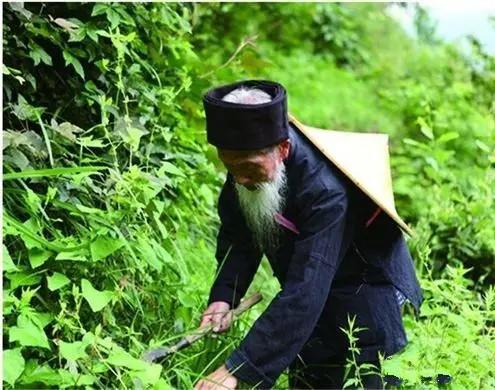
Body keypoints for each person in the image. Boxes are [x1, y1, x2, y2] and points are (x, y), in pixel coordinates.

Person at [194, 80, 422, 390]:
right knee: (309, 381)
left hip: (366, 285)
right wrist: (224, 297)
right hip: (311, 284)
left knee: (368, 380)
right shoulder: (244, 172)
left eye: (248, 167)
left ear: (283, 149)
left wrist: (237, 368)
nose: (240, 178)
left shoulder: (326, 190)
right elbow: (240, 237)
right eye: (229, 166)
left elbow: (306, 289)